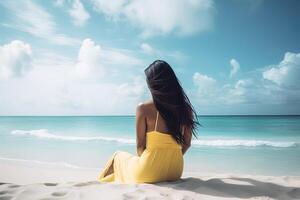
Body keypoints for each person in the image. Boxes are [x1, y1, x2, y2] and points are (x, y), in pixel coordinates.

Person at [98, 60, 199, 183]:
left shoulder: (143, 108)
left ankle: (100, 183)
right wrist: (168, 159)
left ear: (153, 83)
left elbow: (140, 146)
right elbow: (187, 143)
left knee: (117, 156)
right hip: (175, 171)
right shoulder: (185, 109)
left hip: (148, 171)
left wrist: (153, 163)